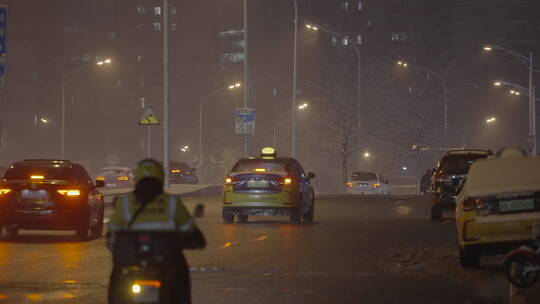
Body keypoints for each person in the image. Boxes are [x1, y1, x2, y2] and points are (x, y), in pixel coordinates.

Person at [107, 159, 205, 304]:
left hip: (130, 262)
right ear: (161, 177)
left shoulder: (125, 203)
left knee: (117, 276)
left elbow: (112, 233)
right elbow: (188, 228)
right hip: (166, 261)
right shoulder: (171, 202)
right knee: (181, 276)